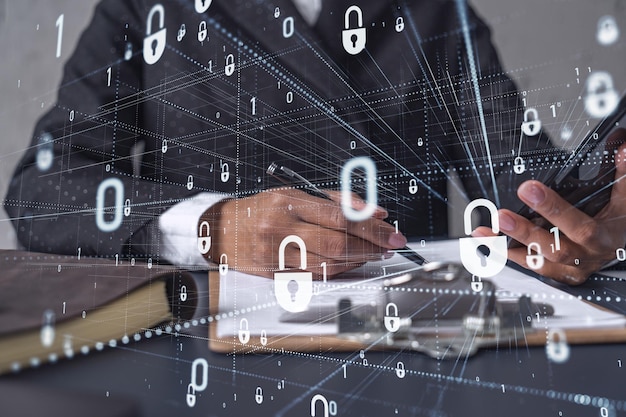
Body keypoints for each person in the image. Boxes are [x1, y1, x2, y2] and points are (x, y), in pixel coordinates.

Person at [5, 0, 626, 285]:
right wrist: (213, 227)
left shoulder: (435, 10)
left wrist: (593, 212)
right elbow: (42, 189)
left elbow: (524, 183)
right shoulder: (146, 6)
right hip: (205, 359)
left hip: (413, 353)